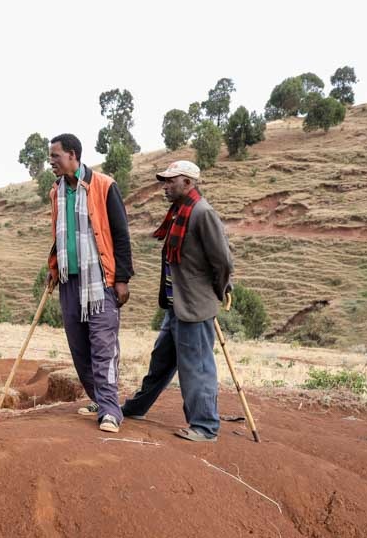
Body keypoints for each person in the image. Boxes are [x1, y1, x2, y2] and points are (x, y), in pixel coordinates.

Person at [121, 160, 233, 442]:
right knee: (161, 361)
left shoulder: (202, 213)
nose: (165, 186)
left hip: (194, 306)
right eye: (165, 181)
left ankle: (205, 426)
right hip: (176, 305)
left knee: (196, 367)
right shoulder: (179, 212)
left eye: (171, 181)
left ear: (188, 182)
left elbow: (222, 261)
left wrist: (218, 292)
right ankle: (136, 408)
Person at [46, 133, 133, 434]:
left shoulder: (104, 186)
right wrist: (53, 265)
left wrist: (122, 278)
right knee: (79, 346)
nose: (51, 161)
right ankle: (100, 398)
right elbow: (59, 235)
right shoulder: (55, 191)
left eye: (55, 156)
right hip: (71, 279)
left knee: (102, 346)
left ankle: (110, 411)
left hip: (101, 280)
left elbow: (121, 235)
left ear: (73, 155)